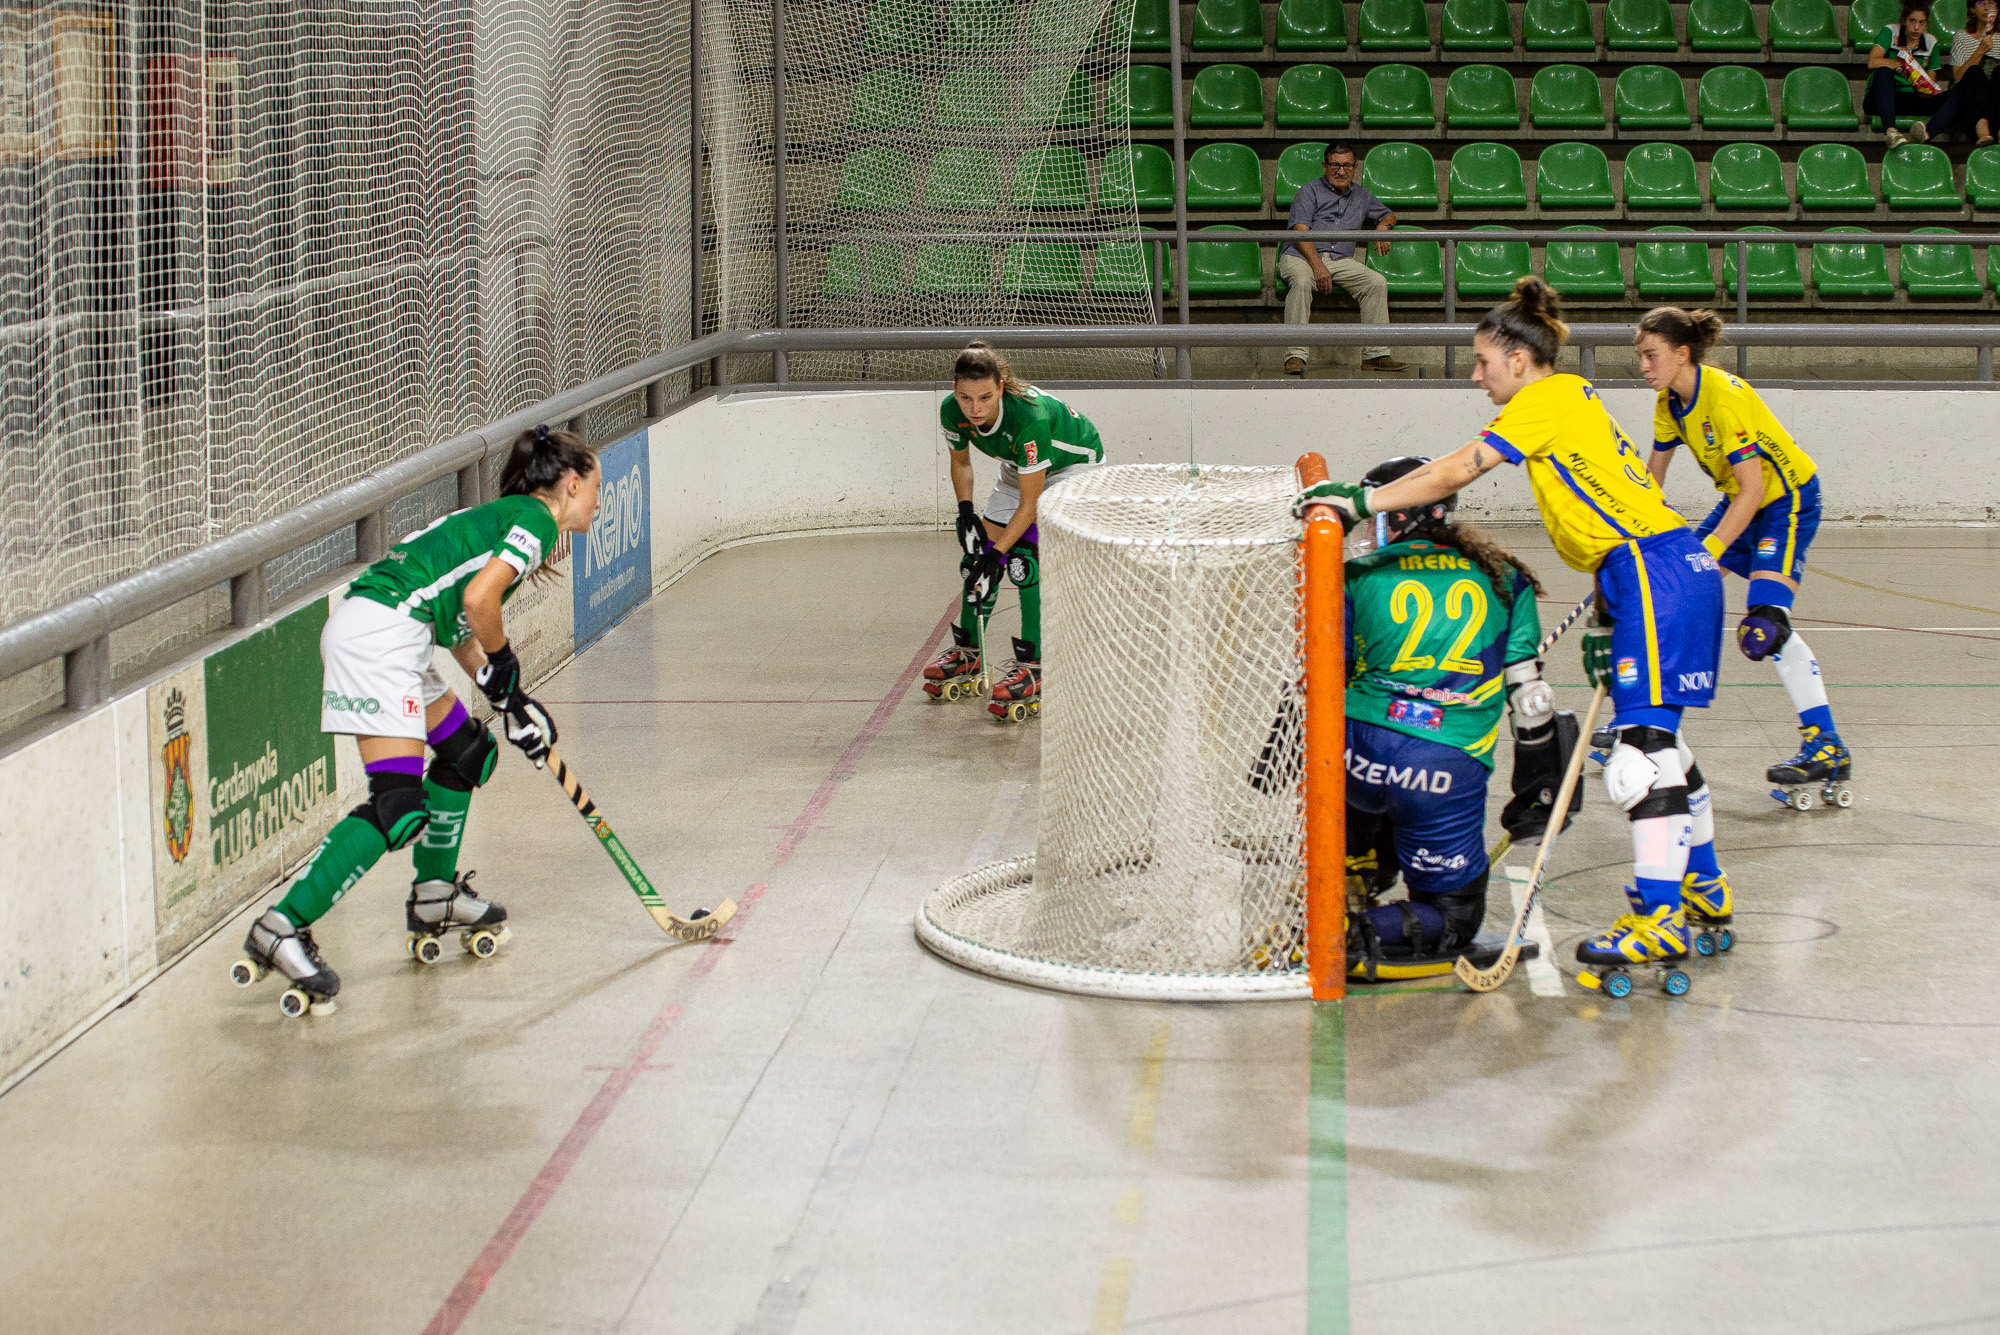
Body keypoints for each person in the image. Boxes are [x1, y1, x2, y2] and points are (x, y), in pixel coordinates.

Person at [1298, 277, 1731, 994]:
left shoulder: (1547, 399)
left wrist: (1359, 500)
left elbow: (1458, 468)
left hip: (1650, 568)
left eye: (1482, 362)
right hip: (1652, 567)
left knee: (1638, 758)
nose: (1476, 376)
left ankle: (1660, 916)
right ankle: (1704, 889)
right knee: (1669, 747)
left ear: (1518, 357)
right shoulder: (1570, 402)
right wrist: (1610, 598)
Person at [230, 427, 601, 1015]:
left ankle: (435, 895)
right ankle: (282, 926)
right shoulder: (535, 522)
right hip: (381, 638)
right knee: (398, 807)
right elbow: (482, 605)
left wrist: (510, 702)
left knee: (467, 753)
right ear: (571, 484)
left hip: (393, 631)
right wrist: (505, 666)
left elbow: (457, 626)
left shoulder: (505, 516)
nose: (598, 503)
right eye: (595, 490)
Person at [1332, 457, 1560, 982]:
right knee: (1455, 916)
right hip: (1441, 767)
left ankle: (1355, 867)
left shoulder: (1355, 574)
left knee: (1368, 790)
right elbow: (1531, 700)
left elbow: (1324, 677)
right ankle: (1352, 933)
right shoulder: (1506, 578)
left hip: (1353, 757)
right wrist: (1538, 783)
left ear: (1403, 516)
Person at [1637, 307, 1850, 825]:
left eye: (1651, 355)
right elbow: (1651, 480)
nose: (1642, 366)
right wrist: (1631, 534)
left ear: (1682, 353)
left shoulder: (1725, 399)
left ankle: (1827, 746)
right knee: (1670, 590)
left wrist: (1703, 554)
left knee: (1764, 629)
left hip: (1785, 501)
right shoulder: (1668, 402)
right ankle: (1647, 719)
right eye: (1639, 356)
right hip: (1741, 500)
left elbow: (1756, 490)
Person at [926, 341, 1104, 721]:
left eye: (985, 398)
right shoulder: (950, 411)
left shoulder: (1029, 418)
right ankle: (969, 652)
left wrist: (996, 555)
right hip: (1017, 467)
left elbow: (1029, 505)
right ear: (954, 390)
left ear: (1001, 388)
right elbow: (961, 463)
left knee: (1023, 560)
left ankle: (1034, 666)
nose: (975, 409)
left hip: (1073, 469)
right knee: (975, 560)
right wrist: (965, 513)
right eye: (965, 398)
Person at [1277, 143, 1406, 378]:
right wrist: (1318, 265)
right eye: (1335, 165)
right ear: (1325, 166)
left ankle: (1375, 355)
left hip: (1339, 258)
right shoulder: (1309, 191)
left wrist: (1382, 225)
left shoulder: (1362, 195)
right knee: (1302, 282)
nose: (1341, 171)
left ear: (1355, 167)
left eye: (1347, 165)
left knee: (1375, 282)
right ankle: (1295, 356)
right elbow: (1299, 233)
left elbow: (1389, 214)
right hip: (1301, 255)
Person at [1867, 0, 1961, 149]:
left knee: (1957, 94)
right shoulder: (1890, 32)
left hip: (1914, 97)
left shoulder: (1931, 42)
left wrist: (1919, 82)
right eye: (1912, 21)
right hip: (1887, 97)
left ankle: (1926, 134)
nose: (1917, 27)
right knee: (1883, 72)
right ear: (1904, 20)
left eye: (1922, 22)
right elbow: (1872, 61)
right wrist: (1901, 66)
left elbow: (1930, 85)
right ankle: (1891, 132)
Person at [1951, 0, 1999, 146]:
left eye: (1991, 2)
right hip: (1973, 98)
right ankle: (1982, 133)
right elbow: (1958, 76)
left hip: (1996, 96)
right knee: (1974, 72)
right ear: (1972, 9)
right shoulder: (1961, 37)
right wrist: (1980, 51)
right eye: (1980, 2)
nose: (1986, 7)